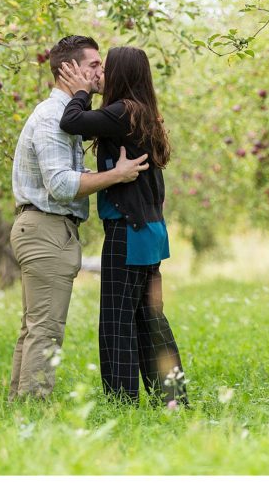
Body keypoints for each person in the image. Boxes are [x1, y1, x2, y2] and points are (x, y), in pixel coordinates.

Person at [9, 35, 149, 402]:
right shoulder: (55, 117)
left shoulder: (66, 114)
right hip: (45, 228)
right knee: (46, 330)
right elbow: (60, 184)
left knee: (35, 327)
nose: (101, 72)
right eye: (93, 66)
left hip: (50, 229)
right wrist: (116, 176)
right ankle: (33, 411)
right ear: (67, 70)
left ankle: (19, 407)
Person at [58, 46, 188, 406]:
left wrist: (81, 91)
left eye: (106, 69)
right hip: (148, 232)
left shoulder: (122, 112)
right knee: (150, 320)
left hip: (127, 234)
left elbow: (71, 123)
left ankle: (123, 401)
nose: (101, 74)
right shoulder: (143, 112)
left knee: (117, 322)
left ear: (121, 74)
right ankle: (173, 396)